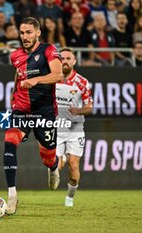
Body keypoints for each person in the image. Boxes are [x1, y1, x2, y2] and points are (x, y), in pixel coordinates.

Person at [4, 17, 63, 214]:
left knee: (47, 156)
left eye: (29, 32)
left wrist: (36, 80)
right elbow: (18, 76)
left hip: (44, 111)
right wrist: (14, 95)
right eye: (22, 33)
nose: (25, 37)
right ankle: (12, 195)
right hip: (21, 109)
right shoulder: (15, 56)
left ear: (37, 32)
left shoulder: (49, 50)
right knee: (9, 141)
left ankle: (53, 166)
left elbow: (58, 75)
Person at [56, 47, 93, 207]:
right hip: (56, 128)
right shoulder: (52, 79)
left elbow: (89, 107)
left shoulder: (82, 82)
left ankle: (70, 196)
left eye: (68, 58)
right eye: (62, 58)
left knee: (74, 165)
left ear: (74, 61)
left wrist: (78, 110)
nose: (65, 61)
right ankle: (61, 157)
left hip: (75, 129)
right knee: (56, 166)